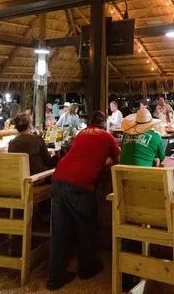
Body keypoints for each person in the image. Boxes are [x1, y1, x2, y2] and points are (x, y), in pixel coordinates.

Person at [47, 111, 120, 291]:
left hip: (59, 179)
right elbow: (117, 157)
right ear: (104, 124)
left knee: (59, 231)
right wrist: (105, 162)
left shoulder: (81, 133)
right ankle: (86, 268)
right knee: (87, 226)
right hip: (80, 184)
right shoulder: (107, 136)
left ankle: (55, 278)